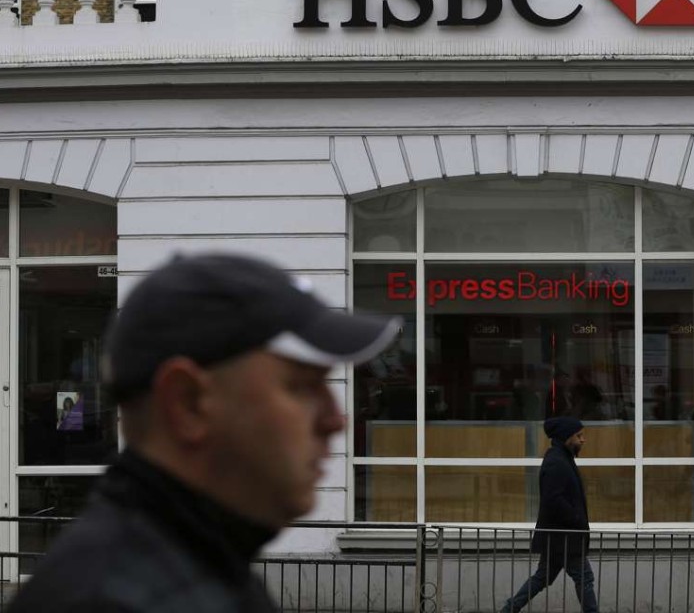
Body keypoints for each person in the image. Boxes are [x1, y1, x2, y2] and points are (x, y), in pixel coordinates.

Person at [10, 252, 401, 613]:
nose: (336, 420)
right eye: (300, 386)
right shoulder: (114, 598)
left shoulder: (193, 563)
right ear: (188, 402)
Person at [501, 416, 597, 613]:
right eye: (578, 436)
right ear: (566, 437)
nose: (582, 440)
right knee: (584, 578)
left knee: (541, 577)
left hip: (559, 537)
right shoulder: (557, 462)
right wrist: (576, 519)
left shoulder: (561, 458)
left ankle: (509, 609)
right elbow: (553, 499)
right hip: (564, 538)